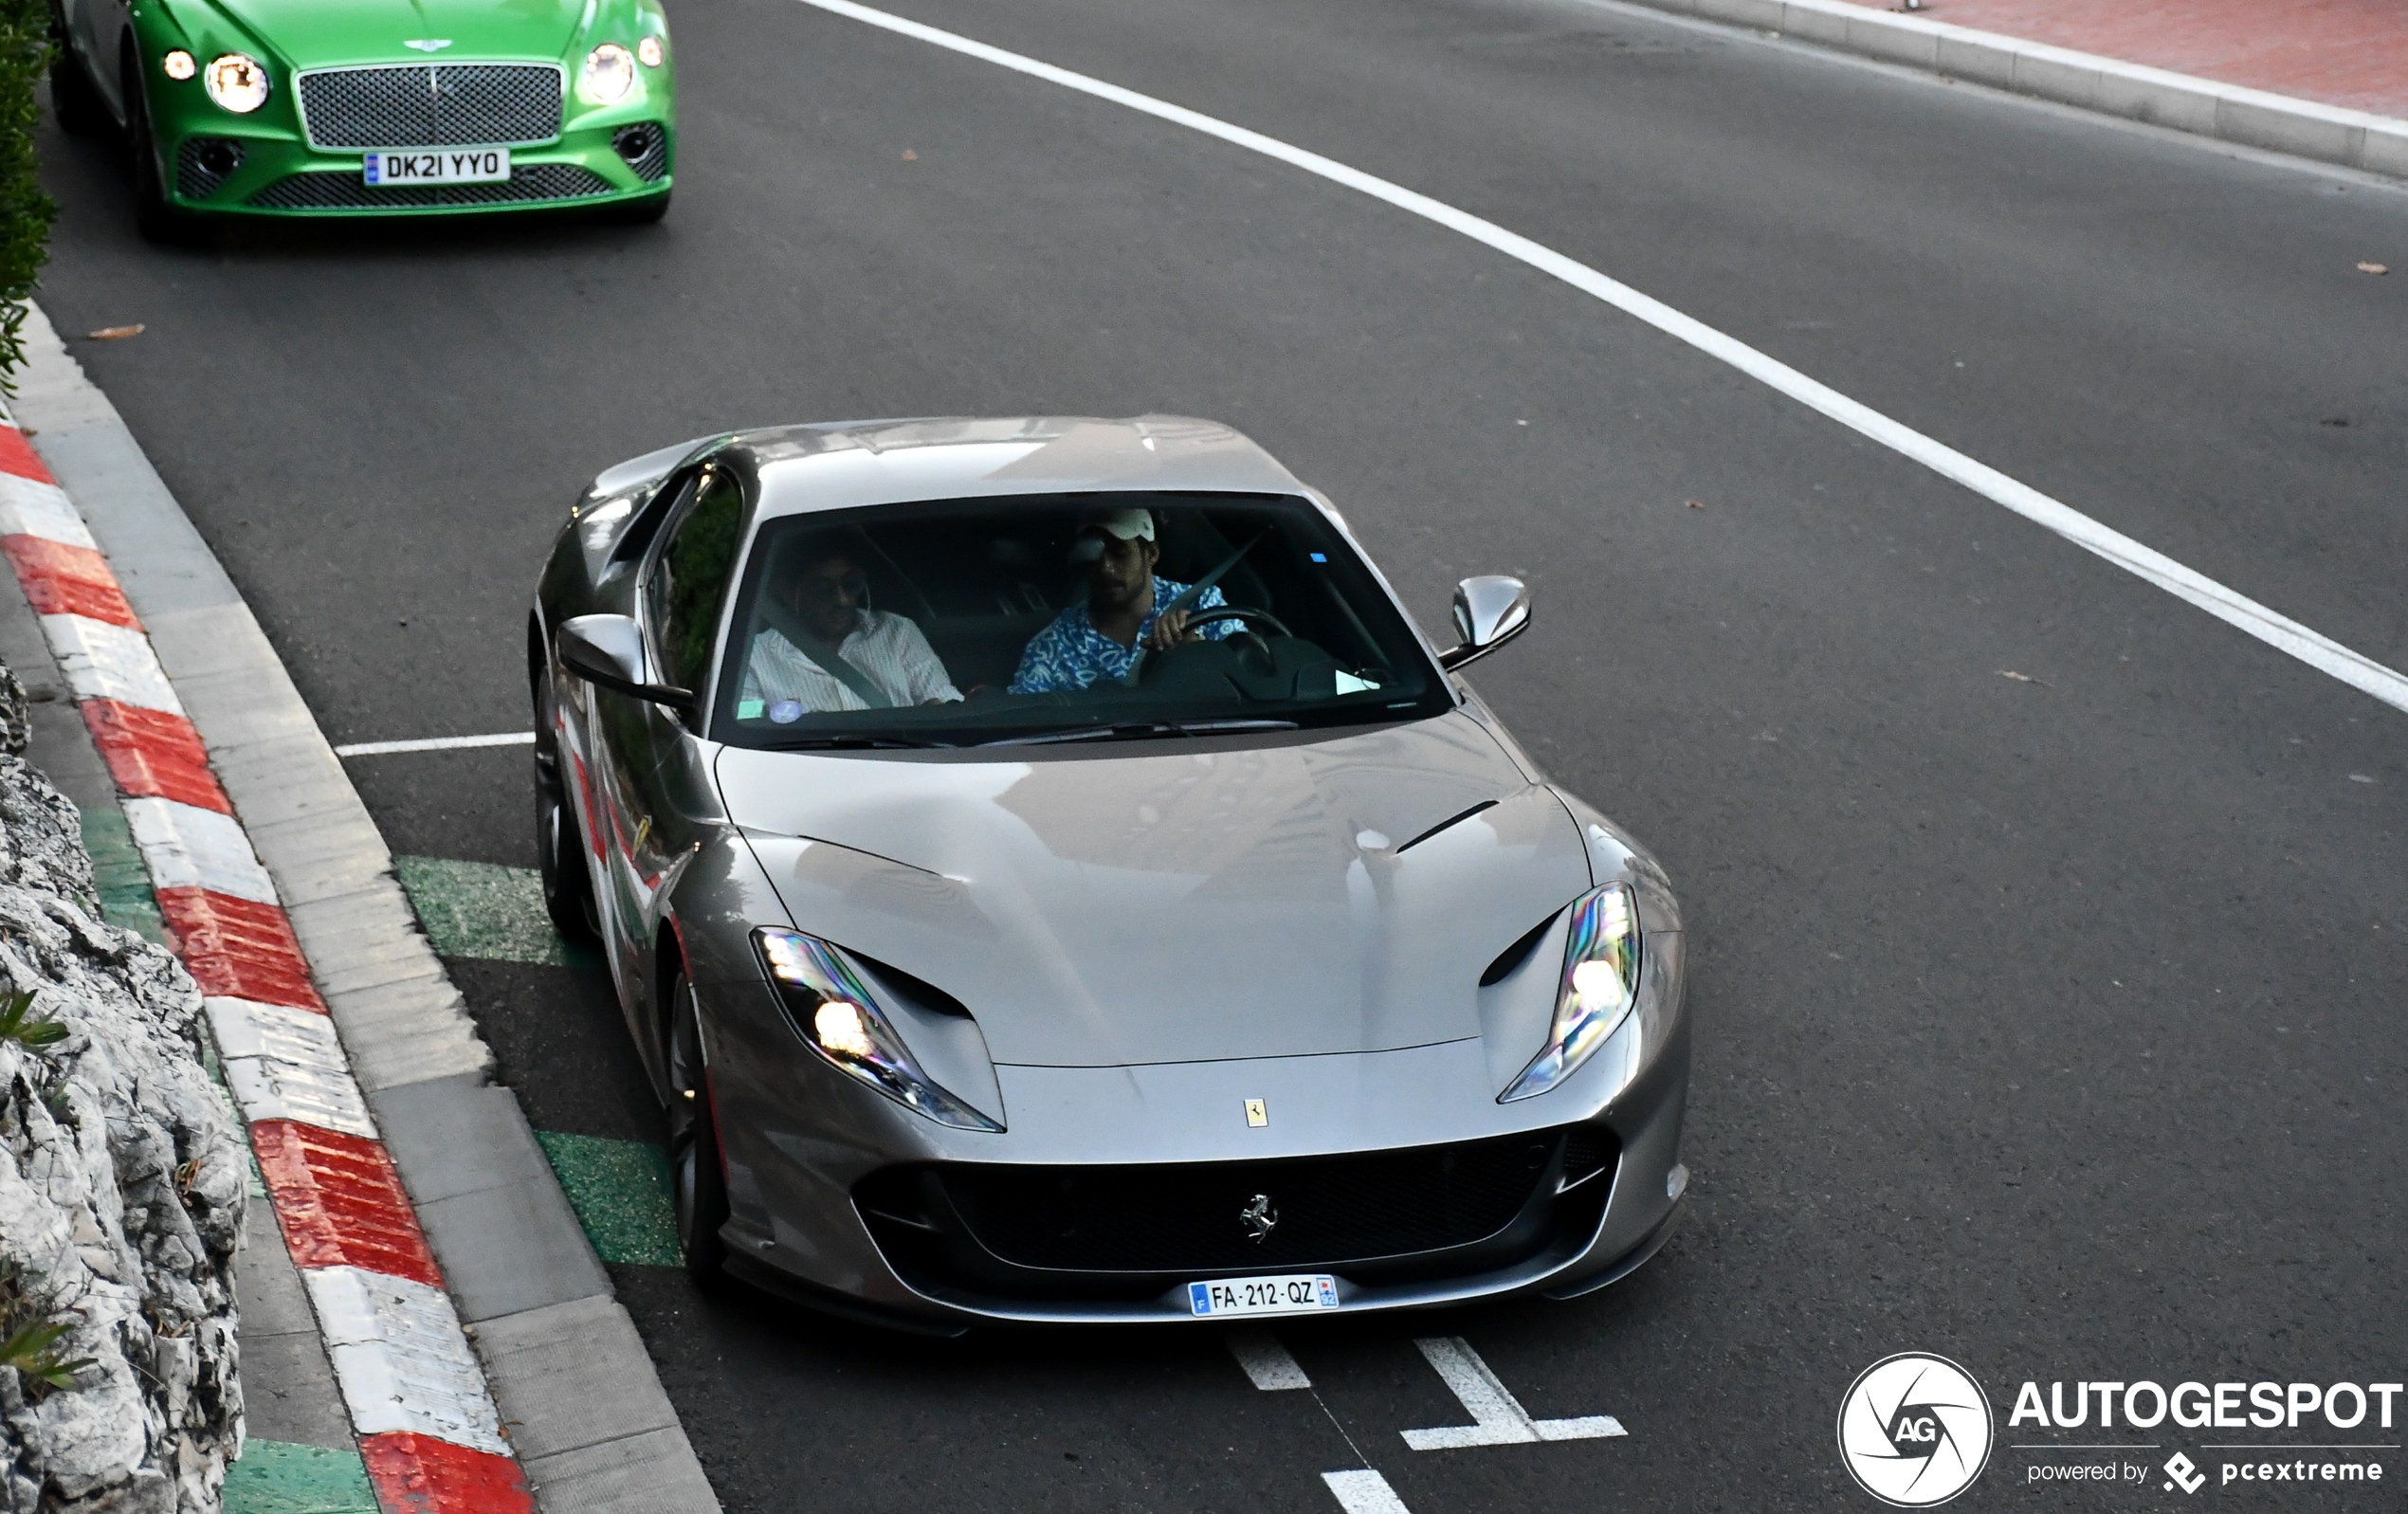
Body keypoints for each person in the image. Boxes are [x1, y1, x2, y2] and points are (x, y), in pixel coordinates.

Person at [1010, 507, 1236, 693]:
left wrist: (1200, 652)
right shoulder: (1055, 646)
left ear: (1151, 554)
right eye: (1094, 556)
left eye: (1119, 553)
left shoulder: (1203, 605)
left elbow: (1254, 669)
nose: (1106, 569)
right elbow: (1020, 723)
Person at [740, 533, 960, 716]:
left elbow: (941, 697)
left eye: (851, 584)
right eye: (824, 590)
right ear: (788, 593)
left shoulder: (898, 632)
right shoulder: (755, 657)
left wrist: (942, 712)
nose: (843, 600)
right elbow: (747, 727)